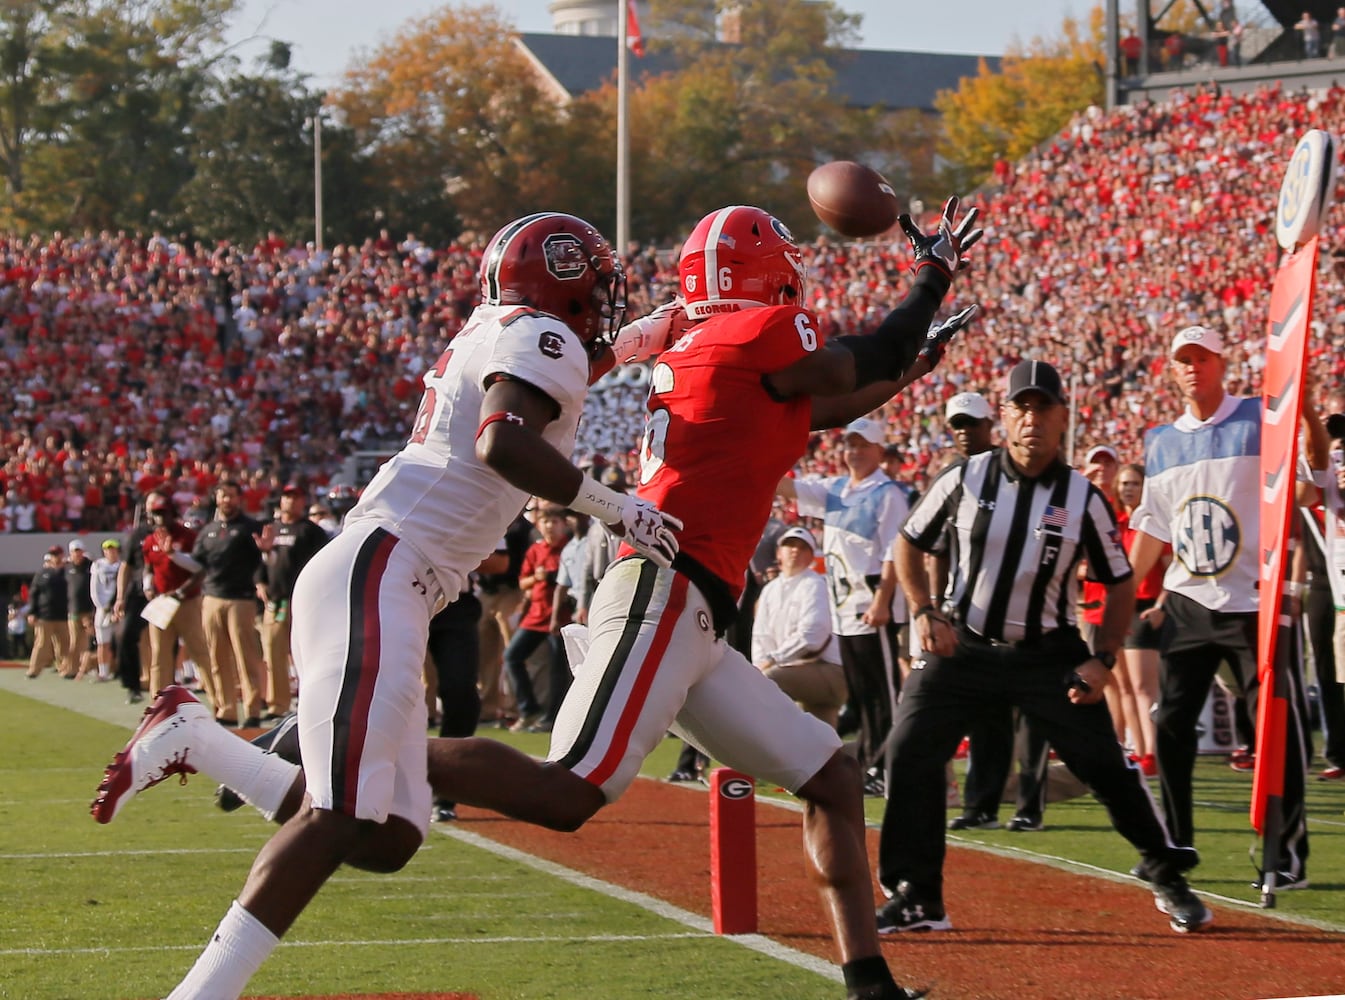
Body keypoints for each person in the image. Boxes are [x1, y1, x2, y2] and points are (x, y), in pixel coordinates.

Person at [91, 211, 684, 1000]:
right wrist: (617, 508)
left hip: (386, 573)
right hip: (385, 571)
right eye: (598, 285)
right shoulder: (540, 334)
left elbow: (541, 386)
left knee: (388, 837)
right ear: (566, 280)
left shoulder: (511, 330)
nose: (603, 300)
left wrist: (635, 339)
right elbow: (503, 441)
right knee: (339, 817)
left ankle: (204, 740)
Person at [876, 359, 1210, 935]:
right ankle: (917, 894)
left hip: (1047, 653)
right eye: (1021, 407)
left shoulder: (1083, 497)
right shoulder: (965, 478)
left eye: (1042, 408)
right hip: (965, 646)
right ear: (1005, 417)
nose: (1032, 419)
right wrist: (925, 611)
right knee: (908, 750)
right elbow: (908, 542)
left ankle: (1166, 872)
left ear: (1063, 418)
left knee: (1103, 763)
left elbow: (1120, 580)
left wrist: (1103, 658)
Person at [1128, 325, 1324, 891]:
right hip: (1188, 603)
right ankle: (1176, 843)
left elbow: (1308, 489)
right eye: (1182, 360)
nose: (1193, 368)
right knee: (1168, 725)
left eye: (1203, 358)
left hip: (1254, 605)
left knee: (1277, 729)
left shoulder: (1261, 417)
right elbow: (1152, 534)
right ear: (1172, 369)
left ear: (1222, 362)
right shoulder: (1160, 442)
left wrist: (1306, 414)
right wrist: (1117, 589)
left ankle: (1286, 853)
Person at [777, 416, 909, 794]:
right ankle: (870, 764)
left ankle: (887, 768)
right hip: (846, 610)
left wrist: (883, 601)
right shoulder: (835, 489)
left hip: (872, 607)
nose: (854, 452)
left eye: (862, 445)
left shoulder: (888, 494)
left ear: (879, 451)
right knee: (863, 694)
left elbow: (892, 553)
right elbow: (790, 488)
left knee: (882, 693)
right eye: (850, 445)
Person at [937, 391, 1047, 833]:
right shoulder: (952, 478)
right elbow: (932, 545)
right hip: (971, 614)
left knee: (1034, 718)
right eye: (957, 426)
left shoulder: (1023, 469)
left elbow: (1052, 527)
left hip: (1031, 610)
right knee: (986, 716)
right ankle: (981, 804)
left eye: (973, 425)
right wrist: (935, 603)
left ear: (992, 425)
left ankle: (1030, 806)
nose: (965, 434)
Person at [752, 525, 848, 727]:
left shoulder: (815, 584)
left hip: (829, 670)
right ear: (779, 553)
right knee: (823, 742)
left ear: (811, 556)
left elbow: (812, 636)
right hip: (798, 669)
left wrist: (772, 660)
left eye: (803, 548)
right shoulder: (770, 590)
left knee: (769, 681)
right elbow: (760, 636)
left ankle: (755, 749)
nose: (795, 550)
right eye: (790, 545)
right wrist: (760, 665)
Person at [193, 480, 268, 726]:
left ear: (239, 499)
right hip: (212, 597)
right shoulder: (208, 529)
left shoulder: (251, 527)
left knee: (245, 656)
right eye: (223, 495)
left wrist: (265, 554)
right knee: (217, 657)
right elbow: (197, 563)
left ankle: (252, 710)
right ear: (216, 499)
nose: (227, 500)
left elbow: (263, 560)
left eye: (231, 495)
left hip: (241, 599)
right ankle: (225, 709)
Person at [257, 483, 330, 720]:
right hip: (276, 601)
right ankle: (278, 704)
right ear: (281, 501)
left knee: (306, 652)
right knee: (273, 652)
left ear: (303, 502)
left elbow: (322, 565)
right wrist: (260, 582)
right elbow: (262, 562)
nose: (290, 501)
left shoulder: (311, 531)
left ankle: (310, 703)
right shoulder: (271, 529)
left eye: (295, 497)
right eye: (287, 497)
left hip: (302, 601)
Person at [502, 503, 571, 732]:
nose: (550, 526)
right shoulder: (536, 550)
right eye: (545, 522)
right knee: (512, 656)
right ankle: (528, 709)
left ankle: (553, 717)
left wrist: (551, 577)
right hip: (536, 614)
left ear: (563, 525)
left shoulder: (569, 549)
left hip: (561, 617)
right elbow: (523, 582)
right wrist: (537, 578)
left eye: (555, 522)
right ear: (539, 525)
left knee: (558, 669)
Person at [1115, 463, 1164, 776]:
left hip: (1146, 604)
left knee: (1144, 686)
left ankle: (1153, 752)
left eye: (1133, 483)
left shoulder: (1154, 523)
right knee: (1124, 687)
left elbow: (1172, 566)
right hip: (1119, 606)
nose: (1127, 489)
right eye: (1123, 484)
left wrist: (1162, 604)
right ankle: (1138, 750)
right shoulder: (1118, 523)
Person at [142, 492, 214, 704]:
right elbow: (148, 567)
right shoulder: (150, 540)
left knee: (198, 650)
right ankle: (158, 704)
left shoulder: (187, 536)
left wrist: (181, 591)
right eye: (156, 514)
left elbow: (200, 570)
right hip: (162, 601)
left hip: (186, 601)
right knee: (160, 656)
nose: (160, 518)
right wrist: (147, 587)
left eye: (163, 513)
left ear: (172, 513)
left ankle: (217, 699)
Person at [25, 546, 70, 679]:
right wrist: (32, 612)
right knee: (41, 644)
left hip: (63, 614)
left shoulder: (67, 572)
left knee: (64, 644)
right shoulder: (42, 573)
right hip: (45, 615)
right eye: (53, 555)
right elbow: (34, 593)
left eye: (58, 554)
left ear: (62, 555)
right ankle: (34, 670)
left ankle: (64, 668)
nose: (56, 557)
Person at [89, 539, 122, 683]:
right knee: (103, 642)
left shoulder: (122, 565)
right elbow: (94, 590)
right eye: (108, 549)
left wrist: (118, 607)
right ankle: (103, 672)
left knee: (123, 642)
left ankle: (122, 671)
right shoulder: (98, 565)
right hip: (103, 609)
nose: (111, 552)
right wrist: (103, 607)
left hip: (119, 608)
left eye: (114, 549)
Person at [65, 538, 97, 680]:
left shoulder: (91, 566)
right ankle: (72, 669)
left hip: (88, 610)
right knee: (74, 642)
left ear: (83, 552)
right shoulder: (67, 568)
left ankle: (89, 668)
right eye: (74, 551)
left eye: (79, 551)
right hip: (73, 610)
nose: (77, 554)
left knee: (90, 641)